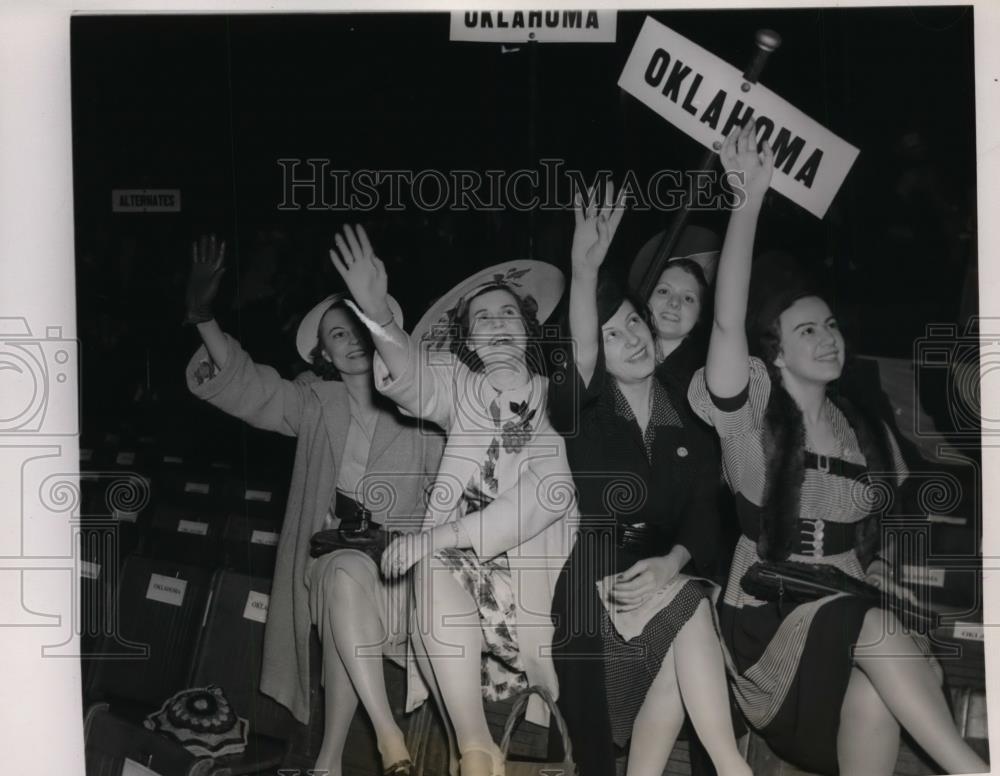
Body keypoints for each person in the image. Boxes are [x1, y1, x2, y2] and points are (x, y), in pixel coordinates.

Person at [689, 122, 989, 776]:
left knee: (879, 689)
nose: (827, 337)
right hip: (769, 621)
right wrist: (746, 202)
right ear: (774, 350)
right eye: (806, 330)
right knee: (875, 627)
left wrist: (883, 577)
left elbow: (881, 540)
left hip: (848, 630)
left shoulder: (862, 429)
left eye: (830, 325)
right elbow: (726, 321)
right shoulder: (751, 419)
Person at [183, 235, 444, 776]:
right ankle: (388, 736)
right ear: (323, 354)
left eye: (359, 327)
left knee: (343, 594)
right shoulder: (311, 402)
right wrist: (203, 318)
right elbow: (251, 385)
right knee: (341, 573)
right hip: (332, 556)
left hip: (405, 571)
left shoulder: (425, 402)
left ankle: (328, 760)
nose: (351, 340)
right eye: (337, 334)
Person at [329, 224, 577, 776]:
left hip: (526, 591)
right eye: (482, 318)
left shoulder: (557, 398)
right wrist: (379, 314)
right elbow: (414, 377)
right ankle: (472, 751)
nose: (497, 324)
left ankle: (474, 752)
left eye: (508, 314)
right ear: (467, 341)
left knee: (432, 557)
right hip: (448, 589)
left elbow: (543, 498)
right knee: (356, 575)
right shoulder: (461, 388)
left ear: (529, 328)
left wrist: (435, 538)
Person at [548, 187, 751, 776]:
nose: (632, 337)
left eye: (633, 322)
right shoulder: (585, 410)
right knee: (691, 610)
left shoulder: (687, 413)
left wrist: (673, 561)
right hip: (594, 581)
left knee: (681, 632)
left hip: (662, 573)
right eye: (611, 334)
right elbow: (579, 355)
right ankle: (732, 768)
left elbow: (705, 510)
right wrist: (583, 273)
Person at [627, 223, 721, 395]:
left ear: (700, 313)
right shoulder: (612, 356)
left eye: (688, 298)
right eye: (663, 291)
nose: (674, 303)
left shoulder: (706, 381)